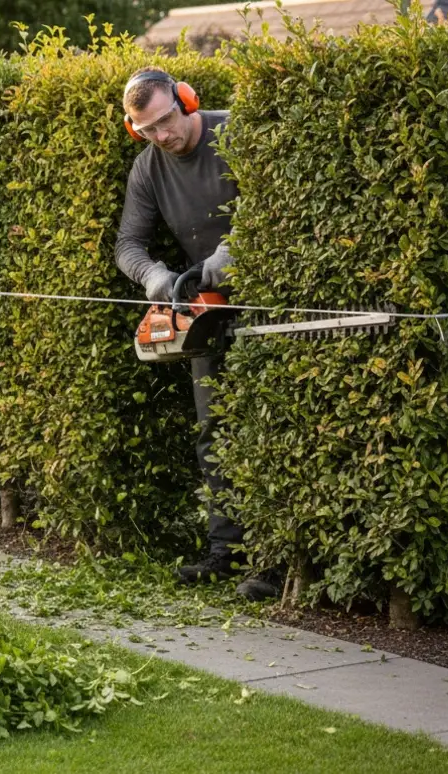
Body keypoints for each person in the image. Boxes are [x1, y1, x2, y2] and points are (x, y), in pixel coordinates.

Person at [113, 66, 278, 602]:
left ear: (186, 101)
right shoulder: (148, 169)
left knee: (273, 429)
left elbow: (277, 199)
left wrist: (238, 247)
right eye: (148, 130)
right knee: (215, 433)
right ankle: (225, 552)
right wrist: (155, 276)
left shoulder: (236, 134)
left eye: (166, 121)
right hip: (206, 312)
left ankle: (277, 560)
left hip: (270, 304)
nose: (163, 136)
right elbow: (129, 246)